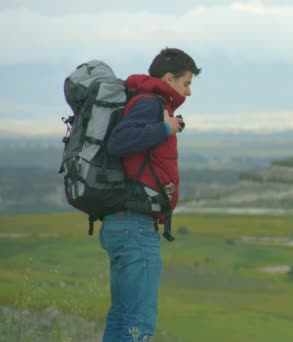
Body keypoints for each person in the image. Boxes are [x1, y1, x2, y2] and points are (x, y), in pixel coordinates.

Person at [99, 47, 201, 341]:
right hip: (136, 228)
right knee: (138, 324)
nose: (189, 92)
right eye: (186, 83)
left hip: (125, 225)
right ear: (169, 78)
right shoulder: (149, 104)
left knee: (121, 319)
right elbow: (118, 142)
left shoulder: (146, 102)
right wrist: (164, 128)